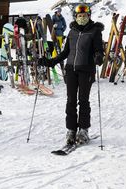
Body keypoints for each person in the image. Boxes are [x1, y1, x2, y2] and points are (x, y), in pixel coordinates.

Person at [38, 3, 104, 145]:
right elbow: (66, 52)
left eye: (84, 15)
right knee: (71, 101)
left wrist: (99, 57)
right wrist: (51, 62)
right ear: (76, 17)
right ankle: (71, 130)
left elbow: (99, 50)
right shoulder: (72, 31)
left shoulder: (95, 31)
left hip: (86, 70)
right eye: (79, 16)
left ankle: (84, 130)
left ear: (88, 16)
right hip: (71, 70)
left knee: (83, 101)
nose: (82, 18)